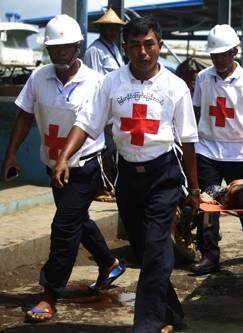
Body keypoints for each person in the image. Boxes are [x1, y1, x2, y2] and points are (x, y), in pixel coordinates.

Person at [52, 17, 200, 333]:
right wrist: (64, 156)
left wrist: (195, 190)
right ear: (125, 49)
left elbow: (188, 141)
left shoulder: (175, 87)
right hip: (129, 177)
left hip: (164, 174)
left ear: (159, 45)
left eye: (149, 44)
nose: (143, 52)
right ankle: (171, 312)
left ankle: (146, 324)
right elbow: (87, 123)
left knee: (158, 248)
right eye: (135, 46)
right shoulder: (111, 84)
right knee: (146, 251)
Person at [0, 14, 125, 323]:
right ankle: (109, 262)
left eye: (65, 47)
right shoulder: (39, 77)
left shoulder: (95, 82)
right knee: (76, 220)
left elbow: (89, 125)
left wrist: (66, 159)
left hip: (83, 167)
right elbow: (25, 115)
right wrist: (11, 154)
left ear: (77, 47)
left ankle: (50, 292)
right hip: (51, 165)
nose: (59, 53)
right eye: (53, 47)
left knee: (63, 227)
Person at [191, 24, 243, 275]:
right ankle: (209, 254)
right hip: (208, 150)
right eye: (214, 55)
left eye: (223, 54)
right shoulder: (203, 79)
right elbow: (197, 112)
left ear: (235, 51)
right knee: (207, 206)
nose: (219, 59)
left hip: (239, 153)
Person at [84, 7, 126, 202]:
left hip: (116, 105)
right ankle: (102, 186)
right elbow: (95, 82)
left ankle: (110, 185)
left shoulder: (115, 48)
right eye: (110, 28)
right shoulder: (94, 50)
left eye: (116, 29)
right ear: (103, 29)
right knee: (104, 149)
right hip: (103, 106)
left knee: (113, 148)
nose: (114, 32)